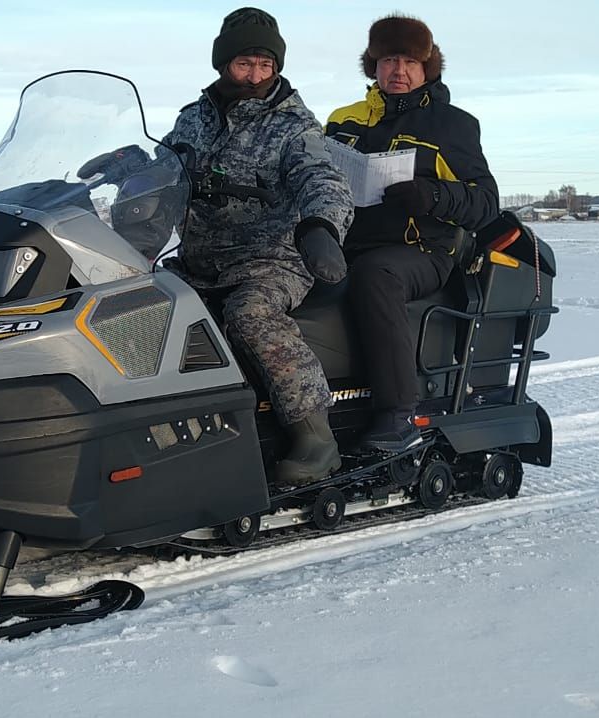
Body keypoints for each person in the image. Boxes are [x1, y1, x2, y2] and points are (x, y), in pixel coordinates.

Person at [161, 7, 356, 486]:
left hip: (271, 258)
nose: (254, 76)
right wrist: (127, 168)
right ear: (223, 64)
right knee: (143, 306)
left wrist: (320, 225)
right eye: (244, 65)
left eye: (265, 66)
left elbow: (322, 178)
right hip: (200, 258)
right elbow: (163, 166)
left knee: (250, 314)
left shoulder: (293, 125)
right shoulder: (194, 119)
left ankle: (315, 435)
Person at [325, 14, 500, 452]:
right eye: (388, 60)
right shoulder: (343, 121)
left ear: (427, 68)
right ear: (373, 66)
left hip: (423, 250)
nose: (398, 71)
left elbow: (485, 202)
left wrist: (431, 195)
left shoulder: (451, 125)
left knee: (375, 274)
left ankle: (398, 412)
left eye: (409, 61)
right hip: (346, 243)